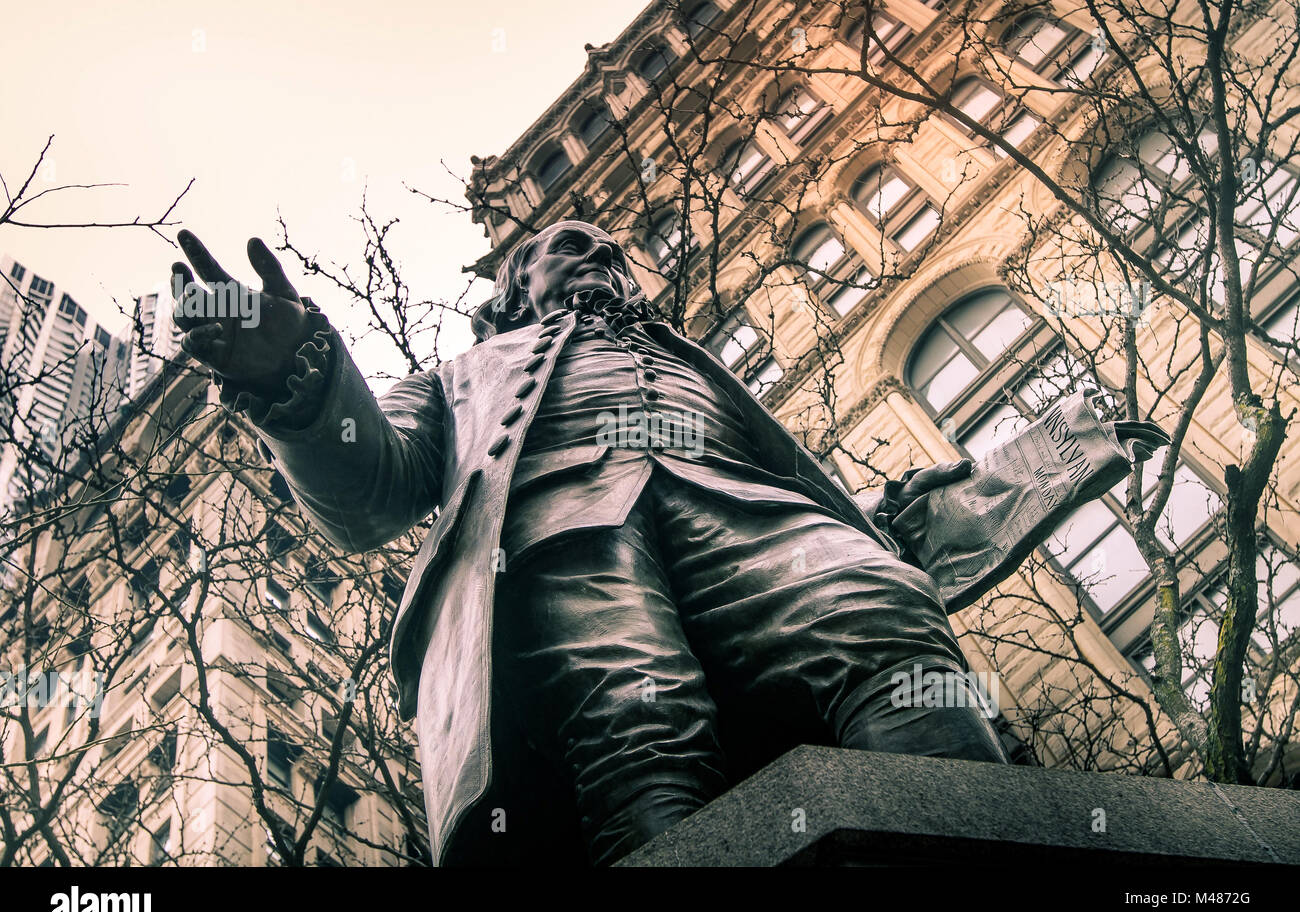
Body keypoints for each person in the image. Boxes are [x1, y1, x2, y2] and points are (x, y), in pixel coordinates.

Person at [170, 220, 1007, 866]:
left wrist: (885, 510)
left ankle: (980, 851)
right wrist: (296, 376)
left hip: (749, 513)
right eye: (572, 247)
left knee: (880, 608)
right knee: (640, 729)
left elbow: (786, 470)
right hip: (561, 539)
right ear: (511, 291)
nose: (603, 257)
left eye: (614, 251)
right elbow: (371, 493)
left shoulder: (689, 358)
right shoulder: (464, 377)